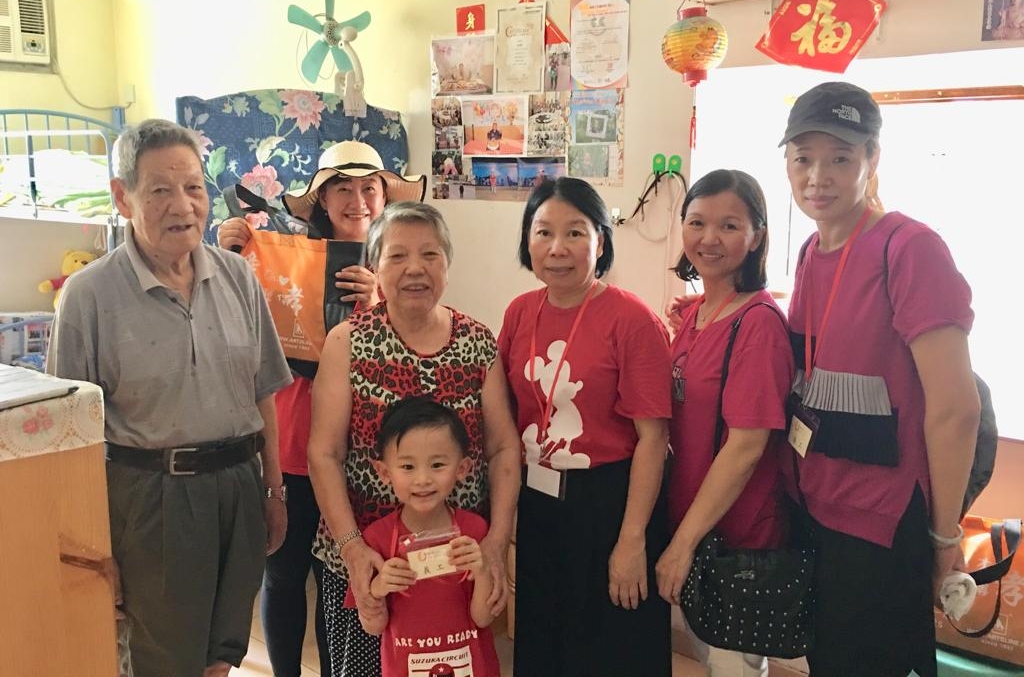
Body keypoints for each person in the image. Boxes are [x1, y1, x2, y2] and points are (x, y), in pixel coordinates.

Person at [47, 118, 293, 677]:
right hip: (151, 497)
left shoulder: (238, 276)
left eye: (193, 187)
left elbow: (263, 393)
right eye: (160, 189)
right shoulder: (88, 296)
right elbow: (72, 438)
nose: (183, 205)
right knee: (162, 659)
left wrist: (273, 489)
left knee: (223, 650)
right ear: (123, 198)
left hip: (239, 486)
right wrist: (91, 545)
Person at [780, 82, 980, 677]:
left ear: (872, 158)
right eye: (803, 158)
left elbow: (956, 409)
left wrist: (944, 540)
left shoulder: (909, 248)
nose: (818, 177)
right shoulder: (811, 250)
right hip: (817, 506)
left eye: (840, 158)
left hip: (881, 522)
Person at [217, 140, 425, 677]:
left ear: (385, 198)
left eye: (369, 189)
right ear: (323, 201)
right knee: (284, 573)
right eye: (343, 189)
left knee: (345, 579)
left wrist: (379, 301)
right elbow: (230, 316)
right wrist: (228, 254)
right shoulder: (284, 258)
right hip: (293, 443)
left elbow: (417, 353)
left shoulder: (401, 263)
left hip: (364, 455)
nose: (358, 201)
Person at [308, 201, 521, 676]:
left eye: (429, 254)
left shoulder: (477, 342)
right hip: (370, 558)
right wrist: (352, 548)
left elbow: (503, 447)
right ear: (376, 266)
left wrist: (496, 541)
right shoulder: (348, 341)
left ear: (447, 263)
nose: (415, 269)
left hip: (458, 557)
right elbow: (324, 453)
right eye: (398, 256)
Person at [498, 177, 672, 676]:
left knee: (610, 649)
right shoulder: (520, 312)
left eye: (575, 232)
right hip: (540, 499)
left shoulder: (632, 319)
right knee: (544, 640)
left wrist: (632, 539)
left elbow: (654, 439)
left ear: (600, 240)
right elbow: (505, 416)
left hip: (610, 504)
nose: (557, 248)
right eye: (543, 232)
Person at [654, 169, 795, 677]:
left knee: (734, 666)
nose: (709, 238)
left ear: (756, 236)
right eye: (697, 222)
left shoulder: (758, 324)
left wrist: (683, 544)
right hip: (694, 520)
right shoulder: (697, 313)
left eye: (729, 226)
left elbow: (746, 447)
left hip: (737, 538)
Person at [349, 395, 501, 677]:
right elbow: (373, 626)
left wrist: (481, 572)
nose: (422, 479)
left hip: (469, 664)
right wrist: (379, 587)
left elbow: (483, 618)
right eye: (408, 467)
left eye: (437, 465)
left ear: (462, 469)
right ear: (384, 472)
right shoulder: (377, 538)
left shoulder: (475, 530)